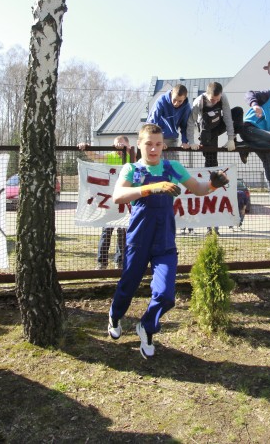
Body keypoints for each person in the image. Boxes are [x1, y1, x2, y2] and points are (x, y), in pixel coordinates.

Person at [106, 123, 229, 358]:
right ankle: (115, 315)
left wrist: (214, 184)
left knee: (165, 295)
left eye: (158, 144)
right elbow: (118, 196)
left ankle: (147, 326)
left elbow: (198, 189)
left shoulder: (172, 167)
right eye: (148, 144)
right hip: (139, 239)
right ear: (139, 145)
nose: (153, 149)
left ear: (164, 145)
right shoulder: (132, 169)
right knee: (128, 286)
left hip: (164, 241)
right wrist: (152, 188)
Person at [77, 136, 136, 269]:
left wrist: (126, 150)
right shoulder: (110, 156)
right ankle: (102, 262)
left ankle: (119, 261)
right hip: (109, 202)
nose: (118, 148)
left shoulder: (131, 156)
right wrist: (86, 148)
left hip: (124, 202)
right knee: (106, 231)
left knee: (122, 232)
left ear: (127, 145)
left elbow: (137, 160)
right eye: (115, 145)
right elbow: (96, 157)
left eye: (121, 145)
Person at [186, 81, 236, 168]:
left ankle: (235, 141)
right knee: (211, 159)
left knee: (238, 111)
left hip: (218, 125)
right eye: (212, 99)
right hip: (206, 131)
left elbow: (227, 117)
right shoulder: (199, 102)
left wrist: (230, 138)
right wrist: (191, 142)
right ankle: (211, 174)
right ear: (207, 94)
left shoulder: (223, 97)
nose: (215, 102)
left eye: (217, 99)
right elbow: (191, 122)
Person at [146, 83, 191, 160]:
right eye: (174, 100)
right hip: (158, 138)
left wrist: (184, 142)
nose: (176, 103)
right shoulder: (161, 101)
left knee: (173, 164)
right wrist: (158, 141)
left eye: (180, 101)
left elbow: (185, 126)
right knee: (156, 163)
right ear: (171, 94)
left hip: (172, 139)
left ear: (184, 99)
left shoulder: (186, 107)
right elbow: (151, 123)